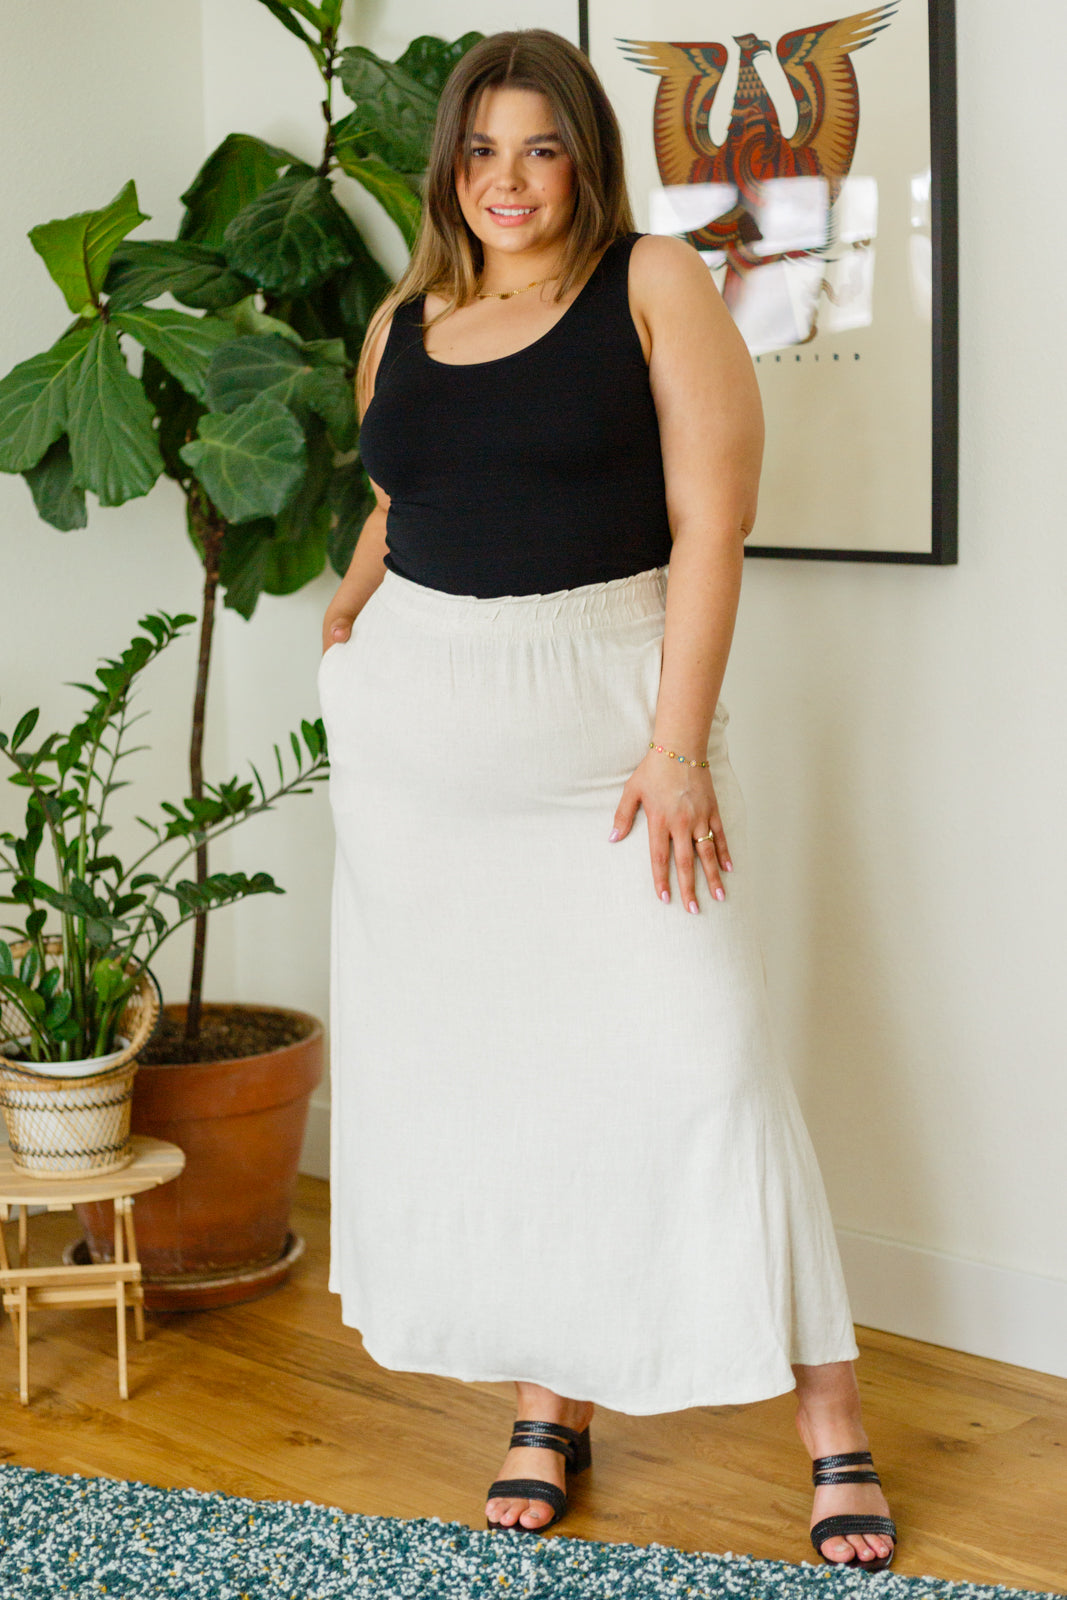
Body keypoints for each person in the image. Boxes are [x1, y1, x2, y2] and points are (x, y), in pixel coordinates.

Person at [318, 28, 896, 1573]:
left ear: (587, 162)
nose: (507, 180)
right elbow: (398, 494)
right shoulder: (405, 316)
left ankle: (833, 1422)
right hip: (420, 769)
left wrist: (677, 746)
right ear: (448, 166)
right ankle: (546, 1404)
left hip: (609, 744)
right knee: (512, 1084)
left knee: (711, 1066)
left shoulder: (652, 283)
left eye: (541, 148)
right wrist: (351, 607)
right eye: (480, 150)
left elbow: (714, 521)